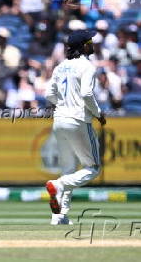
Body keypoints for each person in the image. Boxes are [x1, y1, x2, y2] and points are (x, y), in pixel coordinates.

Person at [44, 30, 106, 225]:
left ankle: (59, 216)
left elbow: (48, 95)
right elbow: (87, 94)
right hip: (78, 120)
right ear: (83, 46)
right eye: (90, 41)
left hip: (59, 120)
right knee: (93, 167)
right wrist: (98, 114)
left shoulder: (61, 67)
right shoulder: (87, 66)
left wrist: (63, 103)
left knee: (69, 168)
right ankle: (58, 185)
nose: (92, 44)